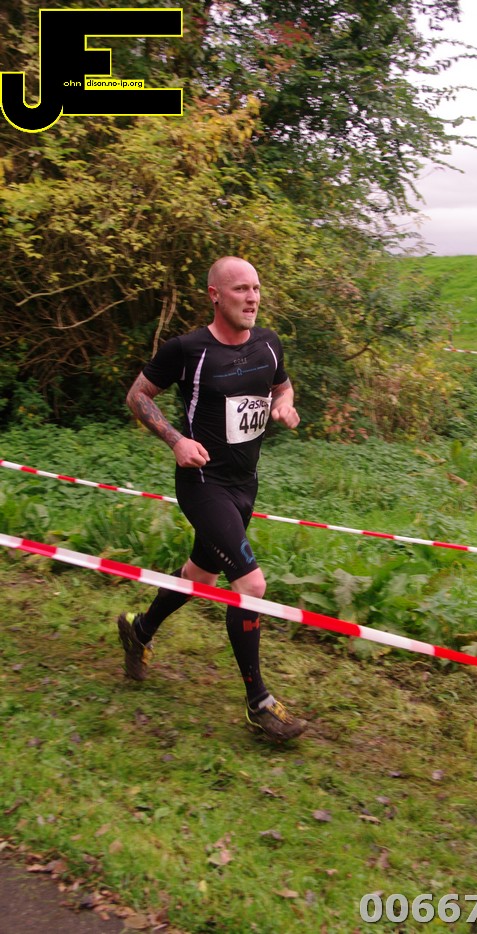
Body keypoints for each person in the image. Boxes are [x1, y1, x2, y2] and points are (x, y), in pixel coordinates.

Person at [117, 256, 308, 741]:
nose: (252, 297)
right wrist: (176, 440)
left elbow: (282, 386)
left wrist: (285, 406)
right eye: (241, 289)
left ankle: (138, 631)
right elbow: (138, 396)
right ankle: (259, 704)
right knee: (251, 585)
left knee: (199, 576)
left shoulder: (268, 343)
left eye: (256, 288)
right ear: (215, 295)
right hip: (204, 484)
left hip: (246, 485)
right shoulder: (188, 349)